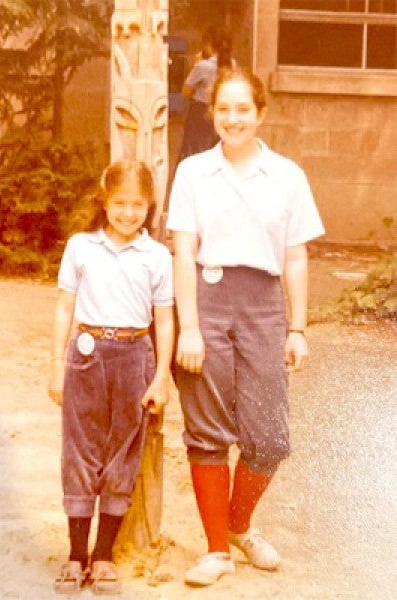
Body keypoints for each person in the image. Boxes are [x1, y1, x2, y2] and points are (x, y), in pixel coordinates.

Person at [166, 66, 325, 587]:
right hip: (207, 302)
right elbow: (183, 252)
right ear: (211, 113)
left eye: (242, 109)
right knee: (208, 430)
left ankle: (238, 525)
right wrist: (190, 327)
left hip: (263, 307)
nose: (232, 119)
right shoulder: (193, 172)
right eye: (223, 109)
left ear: (260, 113)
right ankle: (217, 550)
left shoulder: (287, 176)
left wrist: (297, 328)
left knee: (270, 437)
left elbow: (295, 257)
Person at [48, 160, 174, 595]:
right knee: (80, 452)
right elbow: (64, 307)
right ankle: (76, 555)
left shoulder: (157, 256)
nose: (127, 213)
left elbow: (164, 319)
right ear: (104, 202)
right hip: (86, 356)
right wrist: (56, 364)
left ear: (149, 206)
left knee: (123, 453)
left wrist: (161, 377)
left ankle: (103, 556)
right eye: (119, 203)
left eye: (137, 205)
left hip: (135, 356)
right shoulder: (81, 247)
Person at [177, 26, 232, 162]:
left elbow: (185, 91)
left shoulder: (203, 66)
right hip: (222, 110)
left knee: (194, 150)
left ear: (209, 44)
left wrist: (195, 65)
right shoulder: (232, 65)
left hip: (200, 112)